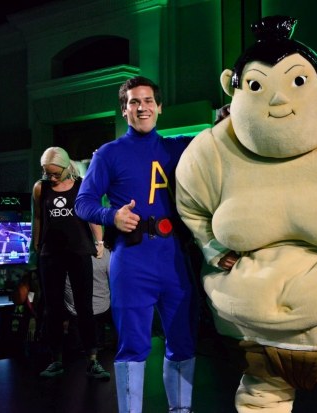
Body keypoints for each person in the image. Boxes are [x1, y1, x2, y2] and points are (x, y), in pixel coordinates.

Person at [176, 15, 317, 412]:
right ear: (232, 85)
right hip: (253, 331)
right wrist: (214, 248)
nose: (278, 99)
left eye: (297, 80)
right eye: (256, 85)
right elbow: (192, 207)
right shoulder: (211, 151)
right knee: (260, 401)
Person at [75, 76, 197, 413]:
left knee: (183, 342)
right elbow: (83, 202)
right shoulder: (109, 153)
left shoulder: (180, 147)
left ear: (159, 107)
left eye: (148, 101)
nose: (142, 107)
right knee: (132, 346)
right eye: (134, 102)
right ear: (124, 109)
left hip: (174, 259)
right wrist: (111, 216)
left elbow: (222, 141)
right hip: (132, 260)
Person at [32, 146, 110, 380]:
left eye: (55, 173)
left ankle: (92, 360)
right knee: (53, 309)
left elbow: (92, 215)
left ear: (67, 168)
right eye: (47, 173)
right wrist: (36, 246)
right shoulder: (40, 188)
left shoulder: (82, 185)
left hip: (79, 251)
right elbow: (38, 217)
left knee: (85, 307)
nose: (51, 178)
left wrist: (99, 242)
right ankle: (56, 360)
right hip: (51, 253)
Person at [64, 243, 113, 352]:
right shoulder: (105, 253)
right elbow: (113, 280)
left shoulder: (65, 252)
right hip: (101, 309)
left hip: (75, 312)